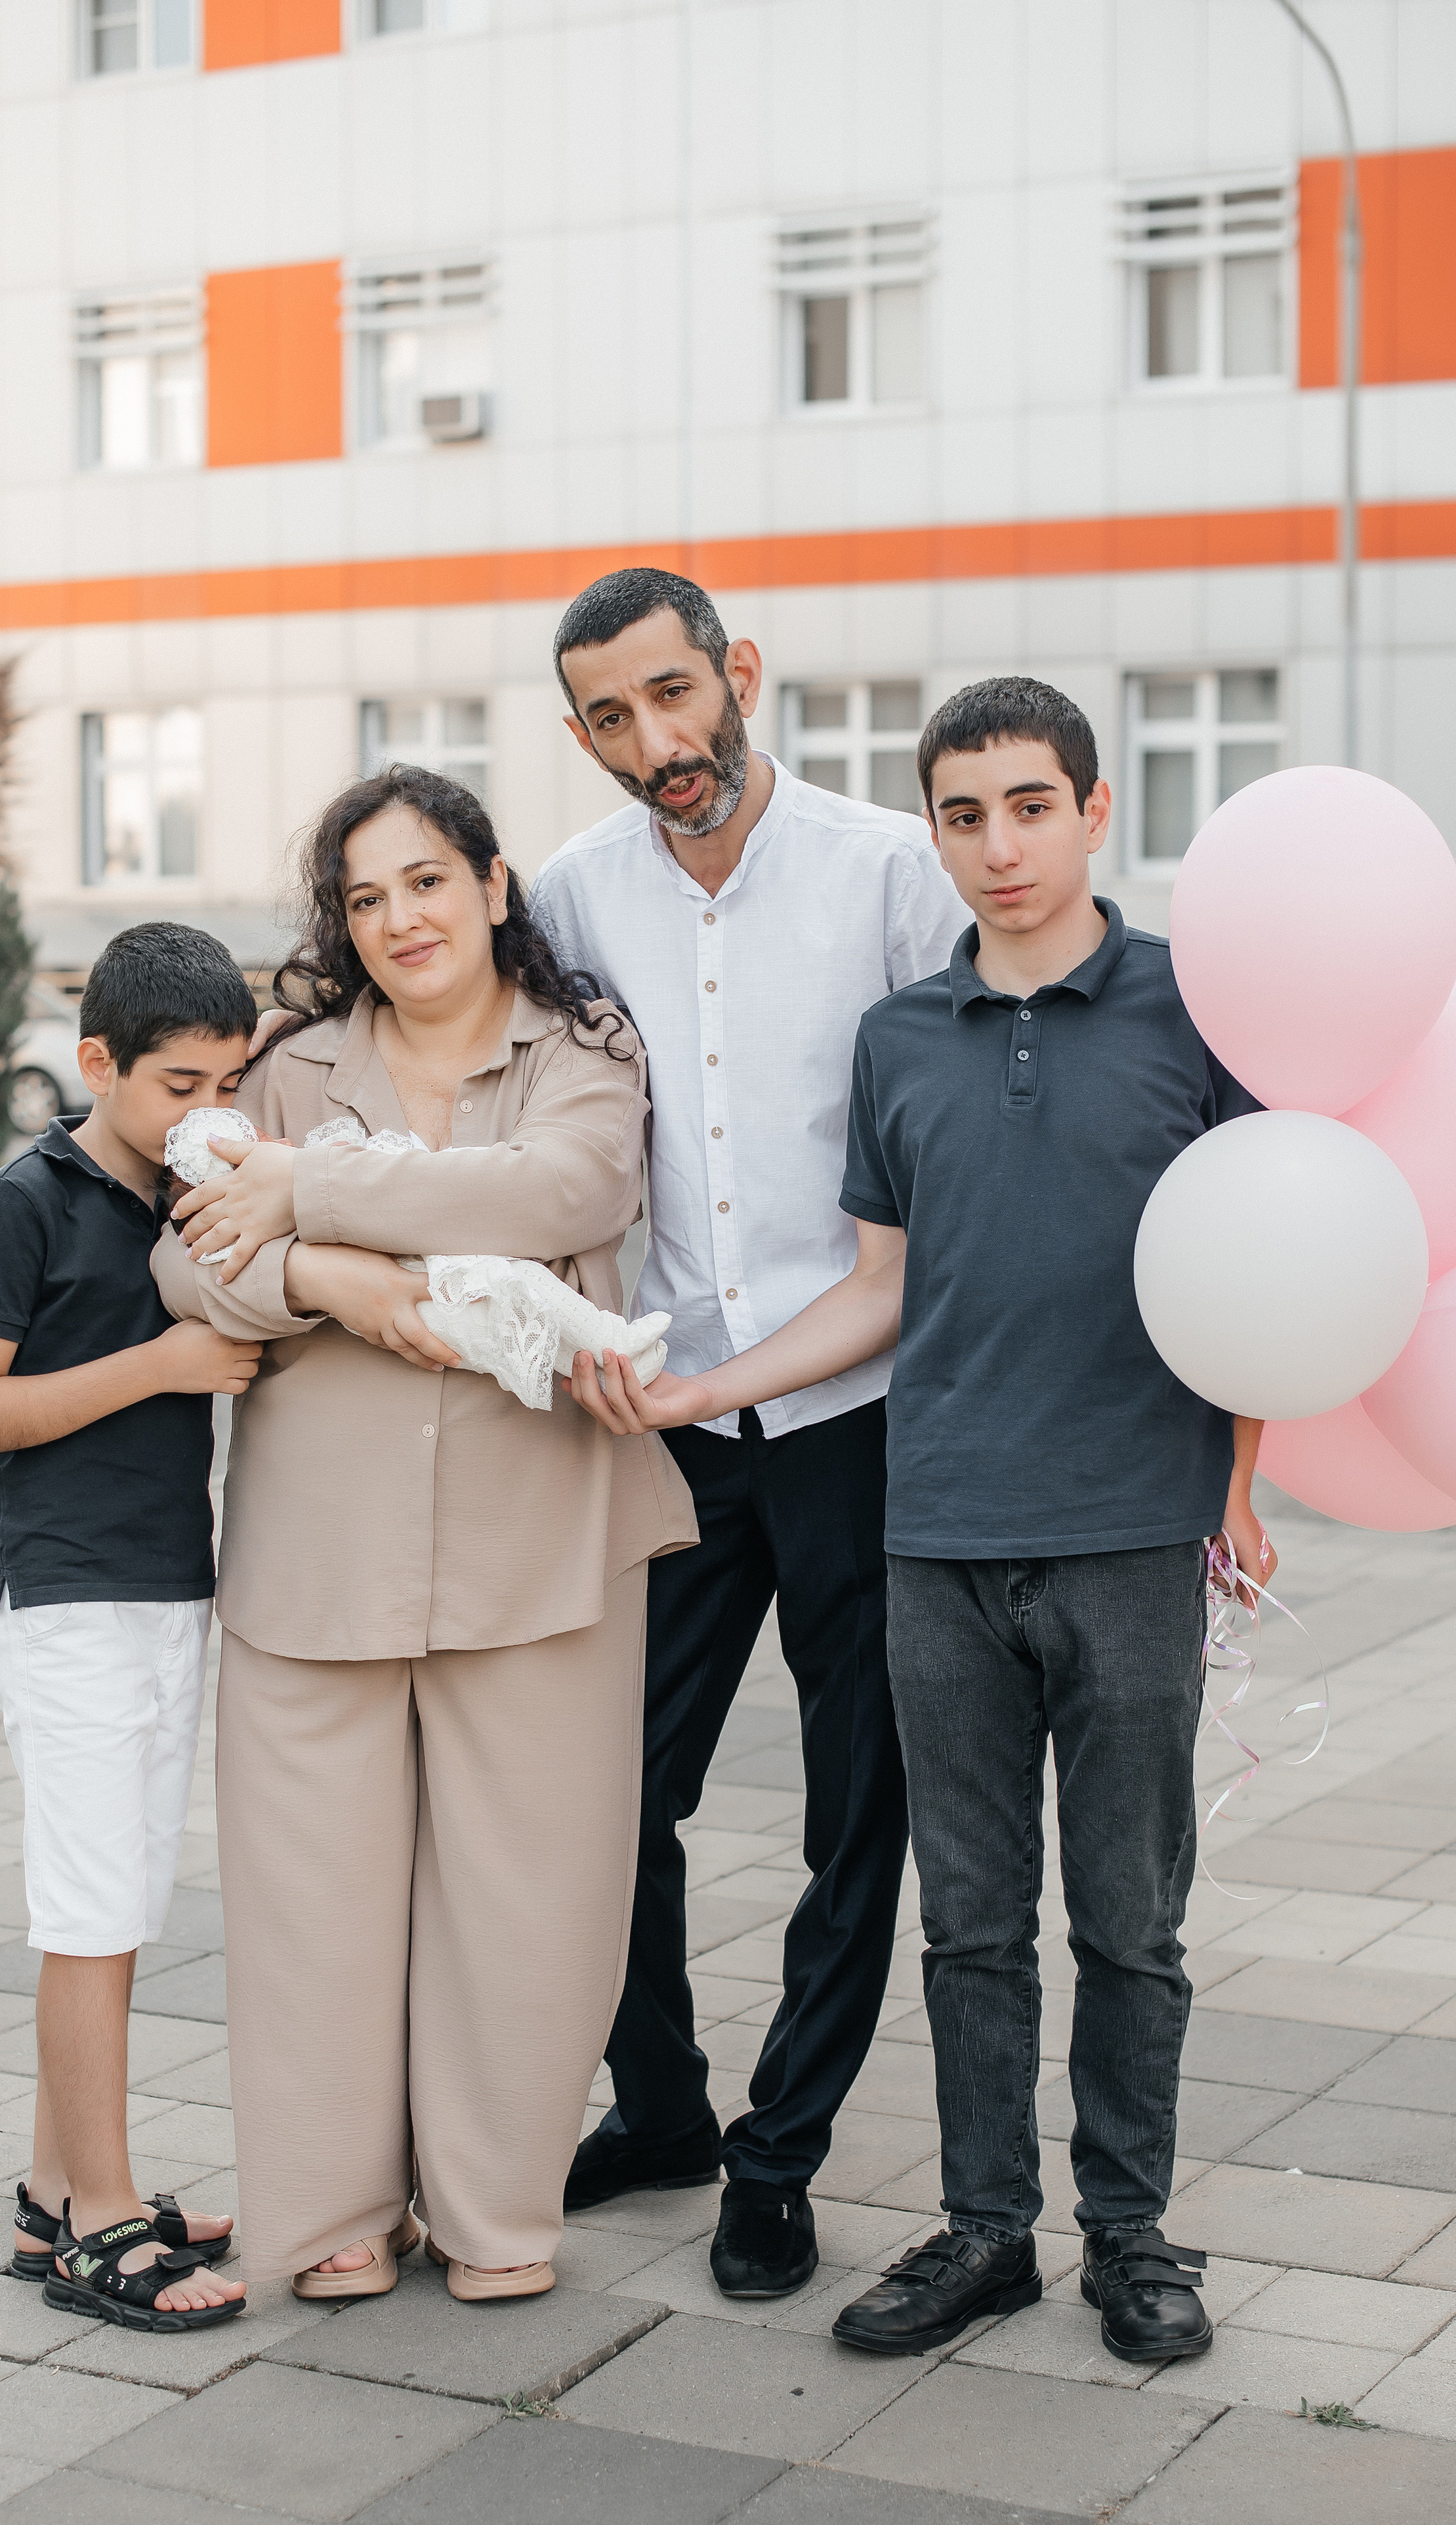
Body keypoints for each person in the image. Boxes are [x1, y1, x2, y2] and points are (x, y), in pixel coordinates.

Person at [568, 674, 1273, 2366]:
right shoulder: (899, 1037)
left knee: (1127, 1922)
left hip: (1126, 1531)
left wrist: (1240, 1486)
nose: (996, 844)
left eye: (1029, 805)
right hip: (934, 1531)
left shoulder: (1196, 1011)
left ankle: (1130, 2237)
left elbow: (1269, 1256)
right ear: (932, 831)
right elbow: (874, 1292)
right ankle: (981, 2232)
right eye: (961, 813)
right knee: (967, 1925)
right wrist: (693, 1389)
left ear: (1094, 811)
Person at [156, 765, 697, 2302]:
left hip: (544, 1540)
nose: (399, 918)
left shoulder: (582, 1049)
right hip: (313, 1547)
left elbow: (558, 1191)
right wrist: (337, 1285)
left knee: (534, 1890)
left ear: (493, 884)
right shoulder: (286, 1065)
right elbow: (186, 1264)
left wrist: (310, 1197)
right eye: (365, 895)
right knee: (309, 1889)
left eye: (426, 881)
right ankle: (332, 2204)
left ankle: (494, 2208)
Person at [530, 568, 967, 2299]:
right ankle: (660, 2104)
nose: (659, 743)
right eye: (616, 719)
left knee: (862, 1811)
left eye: (675, 696)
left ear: (740, 676)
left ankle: (776, 2158)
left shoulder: (893, 876)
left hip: (865, 1414)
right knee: (608, 1793)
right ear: (582, 737)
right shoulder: (567, 898)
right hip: (672, 1417)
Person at [0, 923, 262, 2333]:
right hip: (67, 1602)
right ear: (95, 1064)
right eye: (175, 1084)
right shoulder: (28, 1197)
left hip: (156, 1587)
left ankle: (51, 2190)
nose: (205, 1113)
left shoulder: (179, 1199)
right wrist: (166, 1364)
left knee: (115, 1901)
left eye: (224, 1084)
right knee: (92, 1917)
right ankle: (102, 2230)